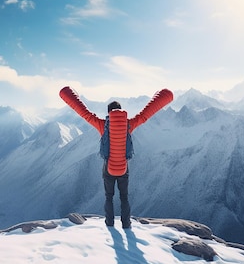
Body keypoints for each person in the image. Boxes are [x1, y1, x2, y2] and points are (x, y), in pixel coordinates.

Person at [59, 86, 173, 228]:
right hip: (124, 169)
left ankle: (110, 223)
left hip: (109, 168)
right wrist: (163, 95)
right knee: (124, 197)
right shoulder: (129, 125)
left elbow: (85, 114)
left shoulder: (103, 126)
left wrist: (68, 94)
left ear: (109, 113)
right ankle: (126, 224)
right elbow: (145, 115)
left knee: (109, 197)